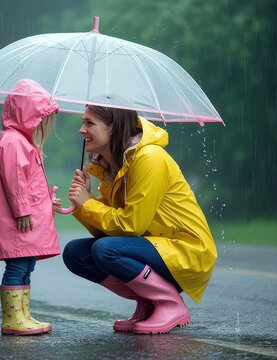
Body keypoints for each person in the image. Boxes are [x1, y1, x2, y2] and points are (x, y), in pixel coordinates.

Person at [56, 104, 217, 334]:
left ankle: (168, 303)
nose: (82, 129)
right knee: (76, 254)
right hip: (152, 246)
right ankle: (149, 302)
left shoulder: (149, 158)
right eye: (83, 122)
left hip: (187, 250)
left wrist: (89, 204)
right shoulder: (112, 165)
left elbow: (131, 226)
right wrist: (83, 204)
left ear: (113, 128)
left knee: (105, 250)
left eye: (89, 123)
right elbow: (108, 230)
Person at [0, 79, 60, 335]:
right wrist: (23, 210)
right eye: (40, 118)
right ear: (27, 113)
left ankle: (22, 314)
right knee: (17, 266)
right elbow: (14, 181)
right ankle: (12, 319)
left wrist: (46, 203)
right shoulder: (12, 142)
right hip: (18, 222)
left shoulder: (21, 142)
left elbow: (29, 186)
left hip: (26, 220)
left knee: (27, 265)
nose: (42, 125)